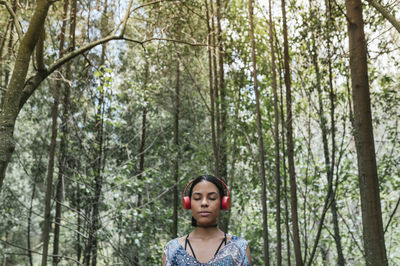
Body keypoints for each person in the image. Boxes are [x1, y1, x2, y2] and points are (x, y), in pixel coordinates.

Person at [163, 175, 252, 265]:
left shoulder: (240, 247)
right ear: (188, 203)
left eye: (212, 198)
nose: (204, 203)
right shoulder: (172, 249)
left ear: (223, 203)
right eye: (197, 198)